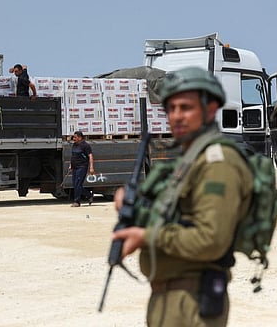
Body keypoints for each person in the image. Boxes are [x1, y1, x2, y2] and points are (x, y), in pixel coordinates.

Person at [112, 67, 254, 326]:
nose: (176, 116)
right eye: (171, 108)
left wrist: (147, 236)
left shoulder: (218, 164)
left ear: (210, 109)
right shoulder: (190, 160)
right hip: (169, 298)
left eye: (185, 107)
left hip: (192, 302)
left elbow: (210, 239)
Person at [69, 131, 94, 207]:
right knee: (75, 184)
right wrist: (71, 165)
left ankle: (77, 202)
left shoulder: (85, 146)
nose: (74, 138)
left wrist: (91, 167)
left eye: (75, 137)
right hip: (75, 167)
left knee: (78, 184)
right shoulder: (74, 145)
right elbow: (73, 156)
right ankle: (89, 195)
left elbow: (90, 156)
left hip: (82, 167)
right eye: (73, 137)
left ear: (80, 138)